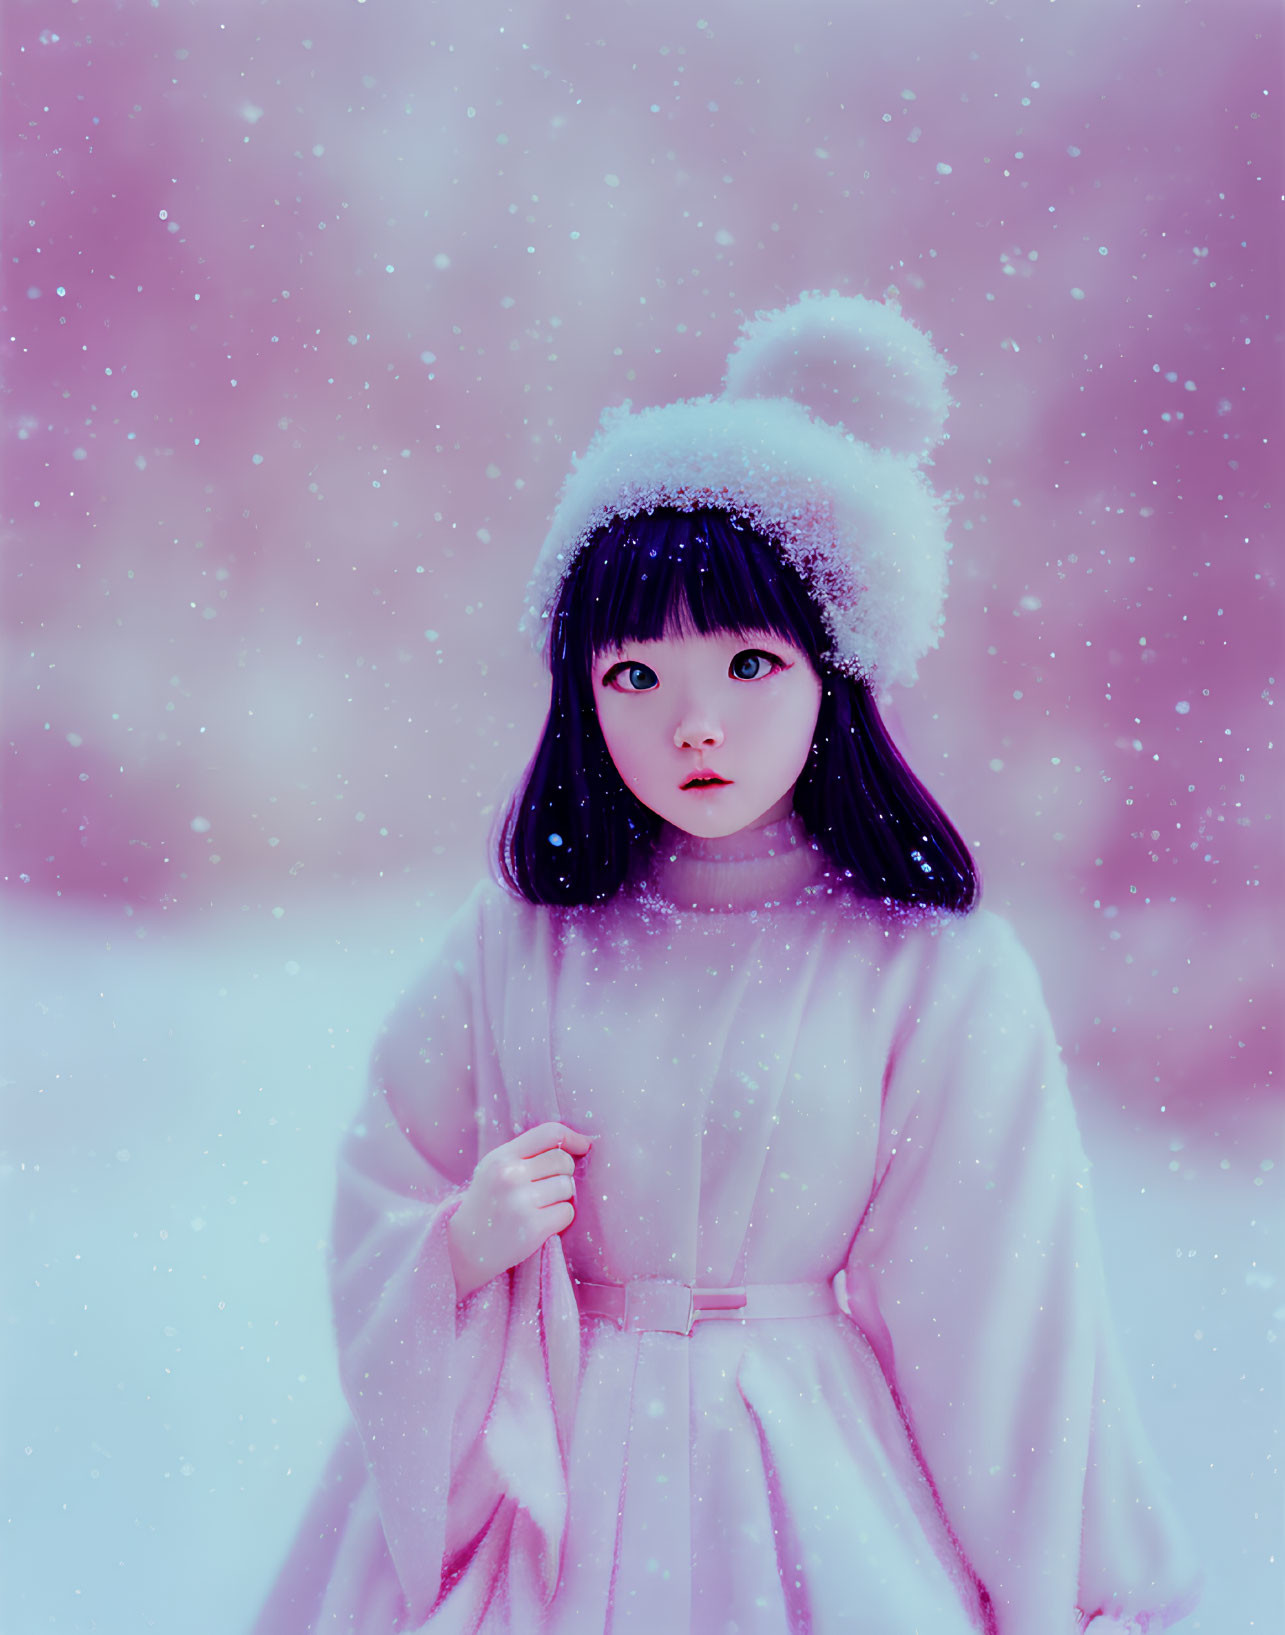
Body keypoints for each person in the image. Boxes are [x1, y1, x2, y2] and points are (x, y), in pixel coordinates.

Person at [252, 293, 1202, 1634]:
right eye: (632, 676)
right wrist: (458, 1248)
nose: (693, 722)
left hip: (798, 1496)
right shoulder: (518, 938)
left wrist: (1089, 1600)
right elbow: (386, 1189)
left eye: (749, 662)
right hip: (550, 1464)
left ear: (836, 672)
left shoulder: (923, 966)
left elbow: (1004, 1322)